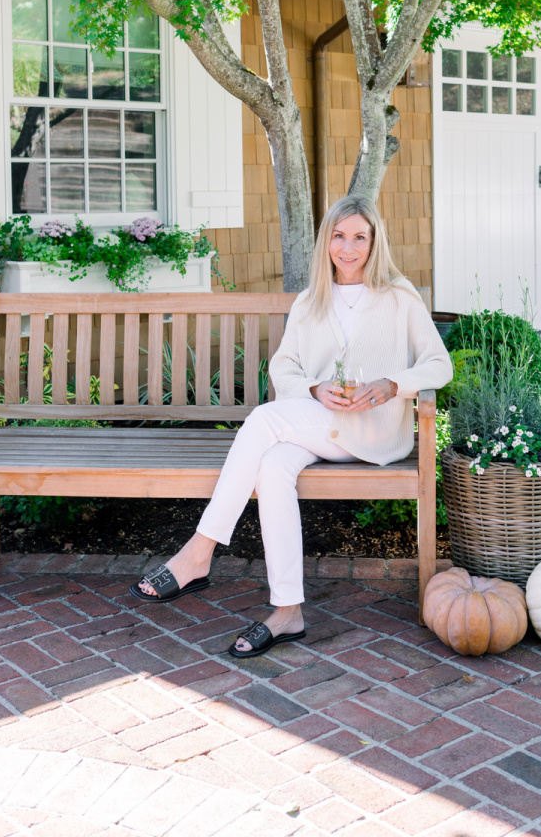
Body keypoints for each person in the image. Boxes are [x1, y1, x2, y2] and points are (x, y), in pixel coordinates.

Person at [129, 195, 453, 657]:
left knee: (263, 419)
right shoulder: (310, 300)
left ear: (374, 241)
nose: (348, 247)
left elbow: (439, 364)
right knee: (273, 465)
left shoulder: (399, 296)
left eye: (359, 236)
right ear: (326, 242)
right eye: (339, 236)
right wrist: (316, 390)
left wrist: (392, 384)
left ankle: (198, 553)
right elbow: (284, 369)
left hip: (372, 432)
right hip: (319, 422)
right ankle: (287, 611)